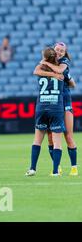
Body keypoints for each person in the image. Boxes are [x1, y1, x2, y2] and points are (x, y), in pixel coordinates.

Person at [36, 42, 78, 175]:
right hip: (53, 103)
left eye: (62, 50)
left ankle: (74, 167)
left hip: (64, 101)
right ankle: (57, 167)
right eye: (57, 50)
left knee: (68, 136)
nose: (59, 52)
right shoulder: (49, 62)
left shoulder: (63, 62)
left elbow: (70, 82)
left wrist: (47, 65)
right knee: (50, 137)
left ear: (65, 53)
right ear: (53, 51)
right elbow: (36, 71)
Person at [26, 47, 67, 176]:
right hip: (56, 107)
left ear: (44, 57)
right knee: (57, 142)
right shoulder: (60, 70)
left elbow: (35, 70)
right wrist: (55, 75)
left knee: (37, 140)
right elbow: (64, 76)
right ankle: (55, 171)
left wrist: (44, 62)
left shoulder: (41, 69)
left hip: (41, 106)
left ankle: (32, 168)